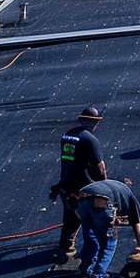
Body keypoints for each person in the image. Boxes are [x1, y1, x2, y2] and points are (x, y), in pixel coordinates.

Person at [49, 106, 106, 259]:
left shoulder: (67, 135)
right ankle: (92, 252)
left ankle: (66, 246)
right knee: (92, 217)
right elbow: (100, 167)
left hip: (66, 184)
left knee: (70, 217)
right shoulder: (90, 140)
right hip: (84, 187)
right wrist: (106, 187)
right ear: (97, 122)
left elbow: (68, 160)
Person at [74, 178, 140, 278]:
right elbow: (136, 222)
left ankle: (85, 267)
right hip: (102, 201)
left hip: (81, 198)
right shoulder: (130, 196)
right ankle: (97, 276)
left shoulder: (112, 186)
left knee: (90, 237)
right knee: (109, 243)